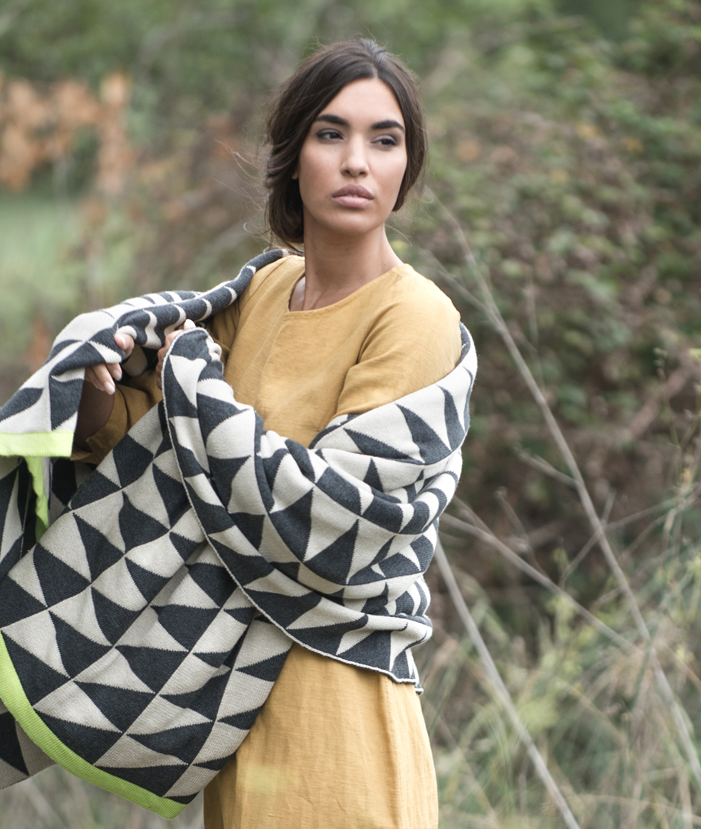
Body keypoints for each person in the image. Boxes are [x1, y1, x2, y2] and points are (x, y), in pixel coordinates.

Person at [71, 39, 461, 828]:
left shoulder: (414, 316)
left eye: (385, 140)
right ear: (292, 155)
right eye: (331, 133)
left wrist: (190, 376)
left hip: (343, 719)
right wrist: (91, 392)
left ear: (407, 165)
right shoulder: (264, 289)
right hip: (238, 713)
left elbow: (327, 523)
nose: (357, 162)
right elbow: (165, 451)